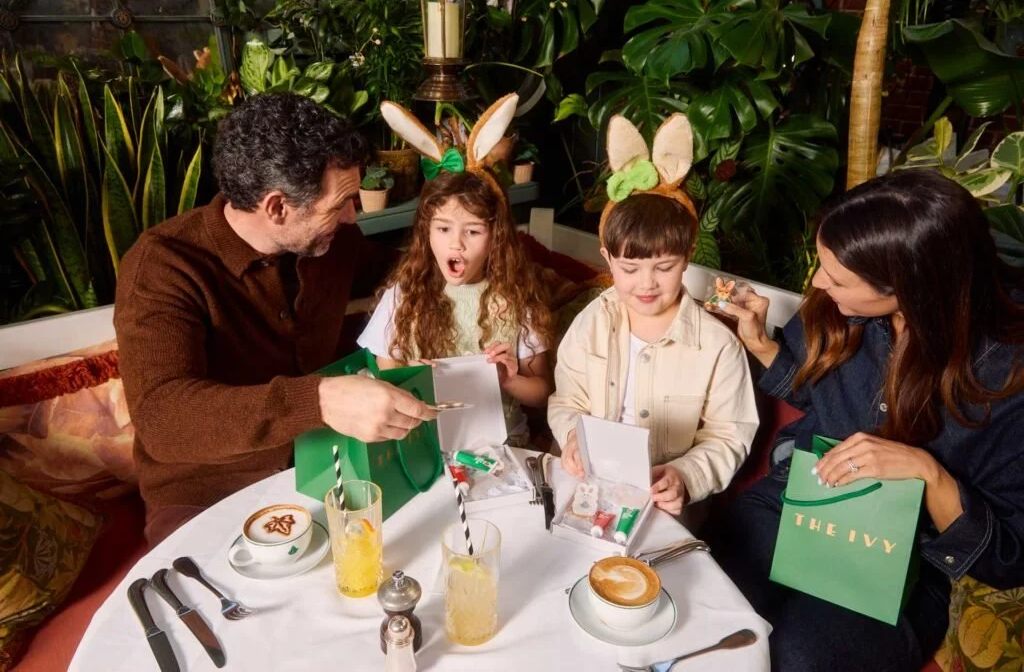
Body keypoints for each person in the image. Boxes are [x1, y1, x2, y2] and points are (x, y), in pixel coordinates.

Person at [715, 169, 1024, 670]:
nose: (816, 283)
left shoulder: (1007, 373)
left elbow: (1007, 557)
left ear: (909, 287)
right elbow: (820, 398)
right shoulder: (840, 309)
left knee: (798, 655)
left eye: (835, 278)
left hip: (906, 557)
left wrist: (928, 473)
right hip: (798, 498)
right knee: (705, 607)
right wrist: (765, 347)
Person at [115, 93, 435, 547]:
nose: (353, 215)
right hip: (206, 491)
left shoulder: (333, 241)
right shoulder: (164, 264)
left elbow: (405, 270)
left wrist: (521, 287)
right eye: (341, 202)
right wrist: (319, 401)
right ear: (277, 208)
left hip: (328, 461)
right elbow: (164, 419)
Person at [548, 113, 759, 521]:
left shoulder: (717, 345)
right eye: (629, 269)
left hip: (664, 502)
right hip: (588, 483)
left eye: (663, 267)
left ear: (687, 258)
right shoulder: (591, 322)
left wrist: (685, 474)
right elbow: (566, 399)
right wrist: (573, 436)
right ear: (607, 258)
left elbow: (729, 435)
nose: (646, 283)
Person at [358, 96, 554, 444]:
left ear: (496, 236)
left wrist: (508, 379)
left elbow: (541, 394)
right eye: (443, 228)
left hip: (501, 441)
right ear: (426, 230)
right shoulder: (405, 294)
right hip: (426, 440)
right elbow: (388, 377)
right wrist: (419, 379)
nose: (456, 244)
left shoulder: (517, 295)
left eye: (473, 231)